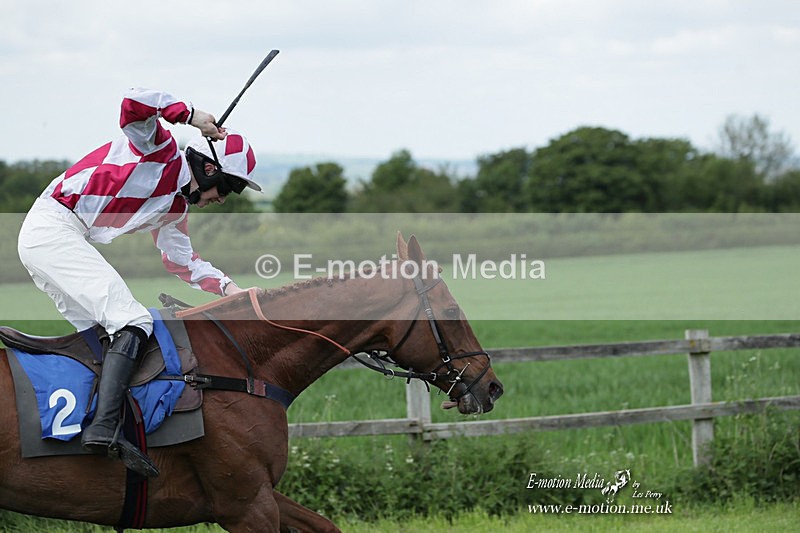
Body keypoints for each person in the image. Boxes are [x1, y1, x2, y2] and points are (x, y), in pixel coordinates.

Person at [17, 88, 262, 477]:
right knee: (133, 321)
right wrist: (191, 114)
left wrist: (232, 290)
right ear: (209, 168)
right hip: (53, 228)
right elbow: (134, 102)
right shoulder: (157, 149)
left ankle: (80, 425)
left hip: (60, 237)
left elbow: (183, 262)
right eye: (228, 188)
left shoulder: (175, 208)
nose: (223, 199)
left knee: (100, 340)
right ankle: (104, 430)